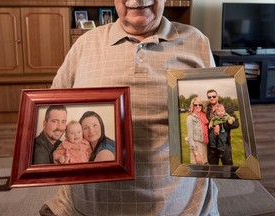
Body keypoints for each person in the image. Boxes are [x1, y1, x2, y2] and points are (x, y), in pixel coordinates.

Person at [39, 0, 219, 215]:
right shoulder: (85, 43)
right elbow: (52, 105)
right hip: (86, 207)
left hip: (180, 207)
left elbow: (213, 114)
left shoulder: (196, 41)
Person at [206, 89, 239, 165]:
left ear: (217, 97)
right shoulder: (206, 110)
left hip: (225, 144)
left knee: (228, 169)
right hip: (211, 146)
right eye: (209, 97)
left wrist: (220, 126)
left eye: (214, 96)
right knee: (213, 170)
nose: (212, 98)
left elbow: (236, 124)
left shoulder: (226, 108)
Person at [186, 97, 209, 165]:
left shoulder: (204, 116)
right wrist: (196, 154)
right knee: (199, 172)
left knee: (204, 169)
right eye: (195, 105)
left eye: (200, 104)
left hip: (204, 144)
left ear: (202, 106)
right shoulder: (190, 118)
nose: (198, 106)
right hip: (196, 146)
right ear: (192, 106)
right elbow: (190, 137)